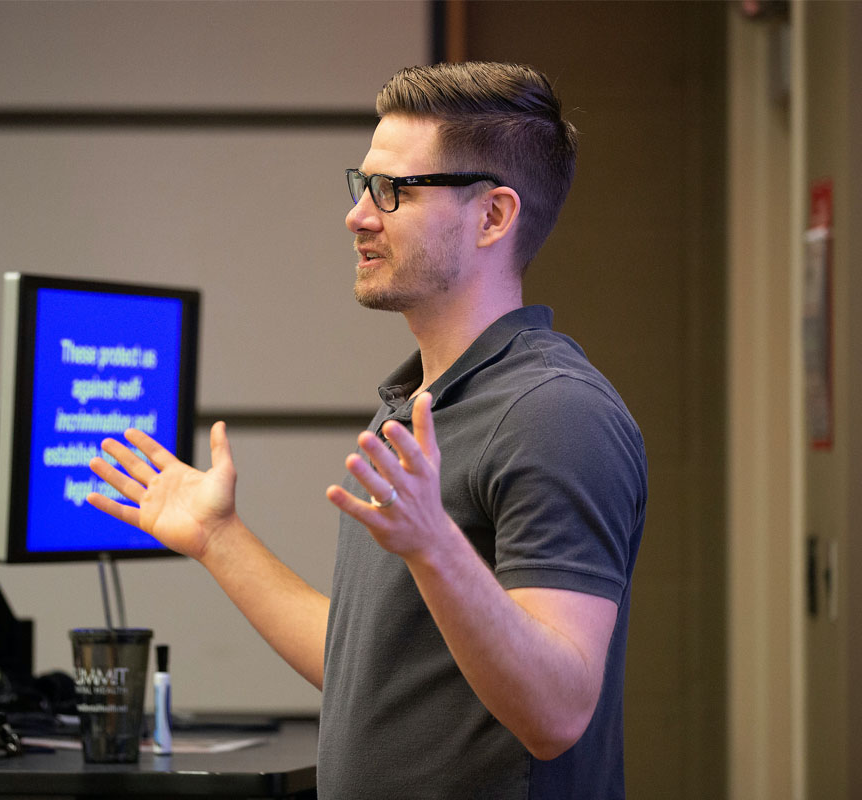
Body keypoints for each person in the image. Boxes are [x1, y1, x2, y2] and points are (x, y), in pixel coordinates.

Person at [88, 61, 646, 799]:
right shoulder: (417, 402)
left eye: (395, 191)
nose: (359, 215)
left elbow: (559, 710)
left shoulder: (554, 413)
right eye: (364, 184)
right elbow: (371, 665)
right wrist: (219, 540)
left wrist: (435, 546)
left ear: (493, 217)